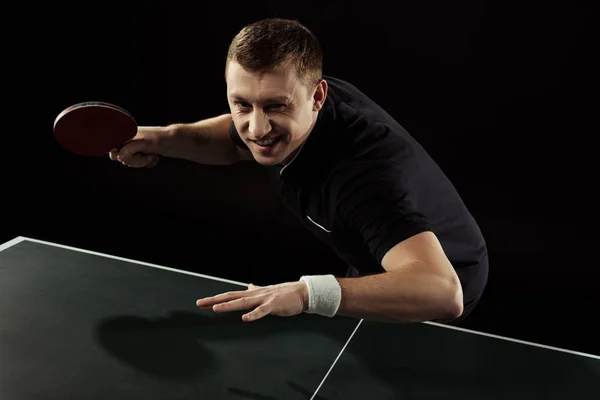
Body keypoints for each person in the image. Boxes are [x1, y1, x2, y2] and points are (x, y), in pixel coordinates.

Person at [110, 18, 488, 326]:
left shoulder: (364, 180)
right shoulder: (302, 106)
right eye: (242, 104)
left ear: (317, 96)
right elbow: (232, 141)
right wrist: (163, 137)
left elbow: (442, 291)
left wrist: (307, 293)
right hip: (379, 257)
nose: (256, 129)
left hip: (430, 293)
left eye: (275, 106)